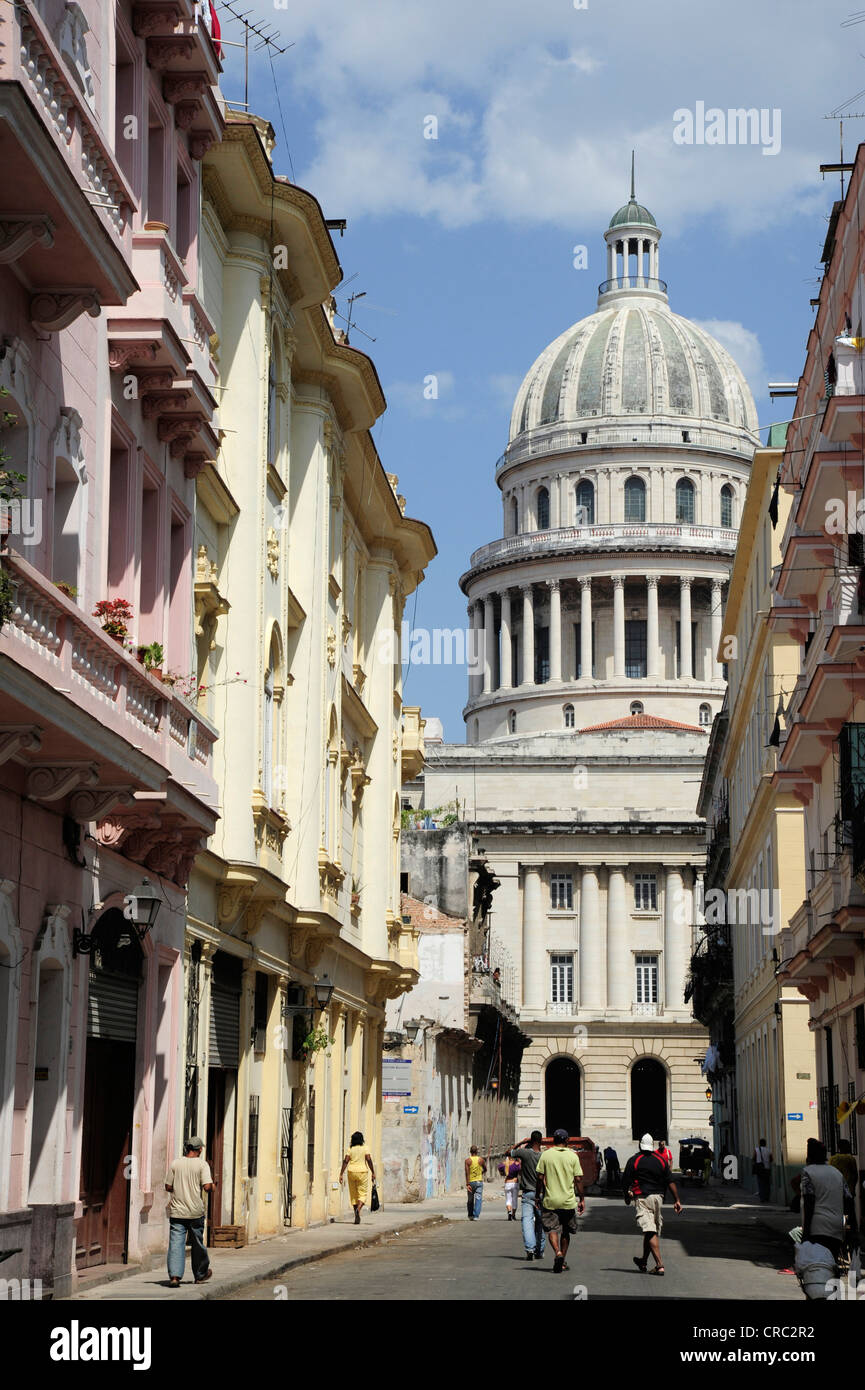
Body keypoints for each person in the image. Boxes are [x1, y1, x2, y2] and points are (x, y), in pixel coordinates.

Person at [623, 1132, 682, 1276]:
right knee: (650, 1229)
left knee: (650, 1231)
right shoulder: (661, 1160)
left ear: (640, 1145)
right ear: (653, 1145)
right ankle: (643, 1260)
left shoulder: (634, 1160)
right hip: (658, 1198)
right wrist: (677, 1200)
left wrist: (626, 1196)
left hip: (643, 1198)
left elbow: (625, 1181)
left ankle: (659, 1265)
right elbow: (670, 1180)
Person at [165, 1137, 214, 1288]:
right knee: (197, 1243)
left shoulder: (175, 1163)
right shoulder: (202, 1164)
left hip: (177, 1212)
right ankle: (200, 1275)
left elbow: (168, 1186)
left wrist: (179, 1190)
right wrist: (213, 1187)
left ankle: (174, 1277)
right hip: (195, 1212)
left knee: (176, 1243)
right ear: (200, 1149)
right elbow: (206, 1186)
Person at [535, 1128, 585, 1274]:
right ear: (567, 1140)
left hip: (550, 1200)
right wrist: (581, 1198)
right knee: (566, 1231)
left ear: (553, 1141)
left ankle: (557, 1253)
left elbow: (539, 1178)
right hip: (568, 1201)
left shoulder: (546, 1155)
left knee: (551, 1229)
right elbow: (578, 1179)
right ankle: (562, 1261)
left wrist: (538, 1196)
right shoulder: (573, 1156)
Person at [799, 1137, 854, 1264]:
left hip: (817, 1228)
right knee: (832, 1262)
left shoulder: (807, 1172)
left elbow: (809, 1202)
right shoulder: (837, 1173)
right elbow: (849, 1199)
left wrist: (805, 1233)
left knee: (817, 1266)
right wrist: (852, 1228)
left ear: (809, 1157)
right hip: (836, 1227)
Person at [511, 1131, 546, 1260]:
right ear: (541, 1141)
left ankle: (530, 1249)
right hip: (541, 1193)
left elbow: (509, 1152)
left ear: (530, 1141)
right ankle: (540, 1250)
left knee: (527, 1221)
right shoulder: (544, 1156)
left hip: (527, 1193)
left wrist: (521, 1143)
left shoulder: (524, 1153)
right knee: (541, 1222)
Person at [339, 1130, 376, 1224]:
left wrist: (341, 1174)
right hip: (362, 1172)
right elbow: (368, 1159)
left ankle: (356, 1216)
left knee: (353, 1194)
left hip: (351, 1172)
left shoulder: (350, 1149)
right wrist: (373, 1172)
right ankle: (358, 1209)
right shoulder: (365, 1148)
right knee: (362, 1193)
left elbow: (345, 1161)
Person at [465, 1145, 486, 1219]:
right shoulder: (481, 1160)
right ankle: (476, 1215)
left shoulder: (467, 1161)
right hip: (479, 1182)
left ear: (470, 1152)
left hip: (471, 1182)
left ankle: (470, 1215)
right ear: (477, 1151)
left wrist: (467, 1184)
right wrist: (481, 1173)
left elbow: (467, 1173)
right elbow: (485, 1169)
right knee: (478, 1199)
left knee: (470, 1199)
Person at [498, 1152, 521, 1219]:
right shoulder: (516, 1164)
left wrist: (503, 1173)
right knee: (514, 1200)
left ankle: (509, 1212)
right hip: (515, 1183)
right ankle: (513, 1214)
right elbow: (520, 1170)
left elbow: (500, 1169)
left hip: (507, 1183)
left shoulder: (503, 1164)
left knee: (508, 1199)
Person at [753, 1137, 772, 1202]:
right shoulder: (769, 1150)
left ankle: (762, 1198)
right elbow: (771, 1159)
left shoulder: (756, 1149)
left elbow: (754, 1158)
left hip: (760, 1169)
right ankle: (767, 1197)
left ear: (760, 1144)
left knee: (760, 1183)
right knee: (767, 1184)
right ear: (765, 1144)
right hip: (767, 1169)